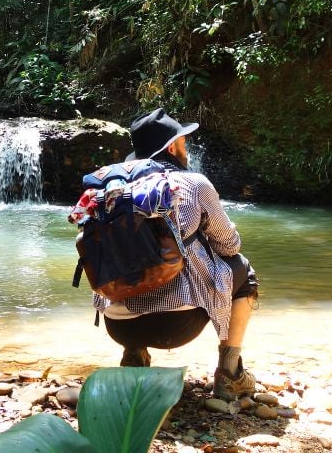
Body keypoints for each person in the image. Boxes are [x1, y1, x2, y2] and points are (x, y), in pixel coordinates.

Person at [97, 107, 258, 400]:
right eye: (183, 141)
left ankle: (134, 356)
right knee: (243, 270)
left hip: (118, 325)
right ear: (171, 146)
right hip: (175, 326)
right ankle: (230, 373)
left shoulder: (112, 187)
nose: (186, 148)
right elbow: (230, 245)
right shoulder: (195, 183)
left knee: (129, 262)